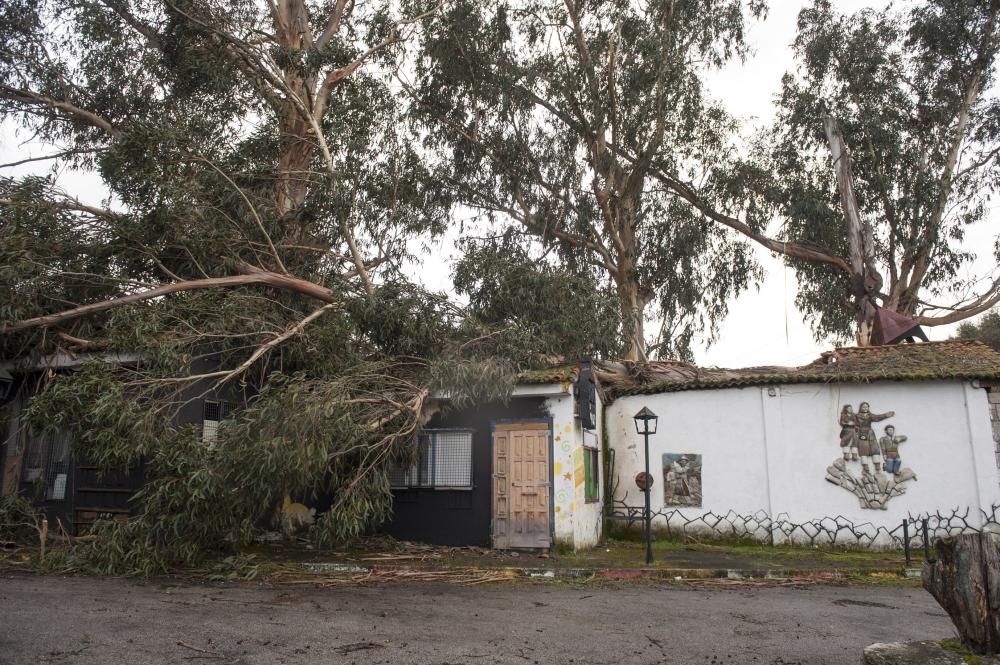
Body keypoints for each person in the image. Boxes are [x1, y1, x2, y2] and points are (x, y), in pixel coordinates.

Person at [855, 402, 894, 478]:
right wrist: (858, 433)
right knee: (863, 450)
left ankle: (877, 468)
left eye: (866, 407)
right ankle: (866, 469)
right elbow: (854, 424)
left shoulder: (870, 415)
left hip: (870, 433)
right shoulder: (856, 416)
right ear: (861, 408)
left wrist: (886, 415)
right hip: (862, 433)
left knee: (875, 449)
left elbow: (878, 417)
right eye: (863, 407)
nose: (865, 408)